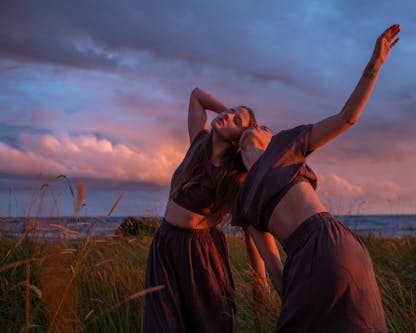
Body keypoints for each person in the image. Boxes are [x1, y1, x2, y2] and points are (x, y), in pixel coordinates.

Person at [232, 24, 401, 332]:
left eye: (260, 125)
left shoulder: (284, 142)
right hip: (302, 258)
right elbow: (272, 264)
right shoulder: (241, 199)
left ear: (268, 135)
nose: (259, 128)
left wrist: (373, 64)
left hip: (327, 242)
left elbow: (346, 117)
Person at [143, 87, 262, 332]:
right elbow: (197, 95)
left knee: (207, 323)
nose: (227, 116)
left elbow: (252, 230)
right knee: (163, 323)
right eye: (229, 112)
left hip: (199, 250)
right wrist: (231, 116)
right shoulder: (199, 141)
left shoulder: (237, 175)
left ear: (239, 138)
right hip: (164, 244)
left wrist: (260, 279)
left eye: (236, 120)